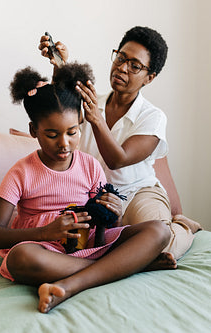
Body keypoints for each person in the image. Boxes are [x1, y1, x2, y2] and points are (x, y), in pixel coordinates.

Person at [0, 63, 177, 314]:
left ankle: (73, 284)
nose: (64, 144)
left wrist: (112, 214)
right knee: (20, 259)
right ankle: (122, 267)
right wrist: (44, 233)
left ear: (79, 126)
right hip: (45, 250)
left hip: (90, 247)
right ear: (34, 131)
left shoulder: (90, 166)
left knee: (159, 231)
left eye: (72, 132)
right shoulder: (22, 172)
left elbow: (101, 231)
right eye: (52, 135)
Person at [38, 26, 202, 260]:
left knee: (161, 243)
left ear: (149, 77)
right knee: (76, 246)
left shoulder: (152, 117)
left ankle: (184, 226)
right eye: (121, 57)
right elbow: (61, 110)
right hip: (94, 198)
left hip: (137, 193)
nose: (122, 67)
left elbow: (118, 160)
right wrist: (59, 65)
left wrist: (95, 117)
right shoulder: (94, 102)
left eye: (135, 66)